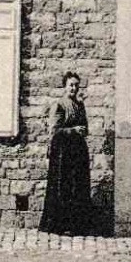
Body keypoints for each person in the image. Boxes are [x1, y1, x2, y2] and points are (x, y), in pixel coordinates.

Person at [39, 71, 95, 236]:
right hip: (63, 152)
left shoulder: (79, 105)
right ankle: (60, 225)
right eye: (71, 85)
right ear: (65, 86)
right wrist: (73, 130)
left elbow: (84, 126)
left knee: (77, 186)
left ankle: (77, 225)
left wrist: (82, 129)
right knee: (63, 187)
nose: (74, 88)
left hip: (77, 151)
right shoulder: (60, 105)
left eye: (77, 85)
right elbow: (54, 131)